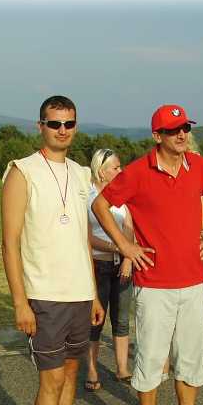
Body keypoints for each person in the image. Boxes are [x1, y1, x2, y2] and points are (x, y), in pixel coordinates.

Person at [92, 103, 203, 405]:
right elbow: (100, 206)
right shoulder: (138, 171)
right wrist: (125, 246)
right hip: (153, 286)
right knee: (150, 360)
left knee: (191, 359)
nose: (181, 135)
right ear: (157, 135)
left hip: (193, 284)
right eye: (173, 130)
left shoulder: (199, 166)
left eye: (185, 128)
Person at [1, 95, 105, 405]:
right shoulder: (21, 172)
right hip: (44, 295)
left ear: (76, 126)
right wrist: (19, 302)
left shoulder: (81, 174)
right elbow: (10, 243)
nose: (62, 130)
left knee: (71, 376)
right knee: (51, 381)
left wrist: (94, 295)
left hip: (79, 294)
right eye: (54, 123)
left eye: (69, 123)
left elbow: (83, 239)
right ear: (40, 126)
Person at [86, 148, 133, 391]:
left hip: (122, 264)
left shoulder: (122, 195)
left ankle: (122, 368)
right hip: (98, 265)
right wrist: (117, 247)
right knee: (96, 320)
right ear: (101, 171)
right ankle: (92, 370)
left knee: (121, 319)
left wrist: (128, 258)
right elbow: (86, 236)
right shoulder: (87, 197)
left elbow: (129, 227)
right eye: (115, 167)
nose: (120, 170)